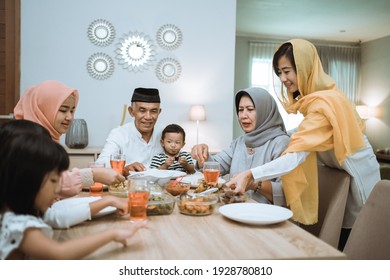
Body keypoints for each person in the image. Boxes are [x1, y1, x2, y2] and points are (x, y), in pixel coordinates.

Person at [226, 39, 380, 248]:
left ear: (305, 67)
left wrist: (251, 174)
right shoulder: (316, 102)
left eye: (287, 71)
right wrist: (273, 134)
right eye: (279, 73)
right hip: (342, 175)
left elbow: (296, 155)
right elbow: (302, 132)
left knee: (355, 245)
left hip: (360, 182)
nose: (283, 78)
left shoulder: (326, 105)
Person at [0, 121, 145, 260]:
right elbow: (60, 254)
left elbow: (60, 218)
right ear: (26, 180)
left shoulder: (28, 209)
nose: (58, 189)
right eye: (53, 180)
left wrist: (108, 200)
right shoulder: (17, 224)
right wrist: (112, 234)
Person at [13, 81, 127, 229]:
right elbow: (52, 183)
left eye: (72, 111)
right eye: (63, 110)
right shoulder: (28, 142)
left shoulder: (49, 138)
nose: (69, 117)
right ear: (43, 109)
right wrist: (94, 174)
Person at [191, 87, 290, 205]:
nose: (243, 115)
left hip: (265, 217)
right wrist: (203, 156)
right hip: (234, 211)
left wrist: (254, 183)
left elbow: (287, 194)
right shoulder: (240, 142)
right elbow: (217, 165)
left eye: (250, 109)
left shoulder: (281, 143)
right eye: (240, 109)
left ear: (265, 112)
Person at [96, 88, 164, 175]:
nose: (148, 117)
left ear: (159, 112)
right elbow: (100, 164)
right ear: (131, 111)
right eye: (142, 110)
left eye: (153, 111)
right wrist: (124, 169)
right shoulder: (118, 134)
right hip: (129, 186)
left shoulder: (165, 134)